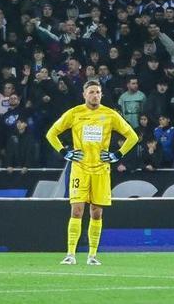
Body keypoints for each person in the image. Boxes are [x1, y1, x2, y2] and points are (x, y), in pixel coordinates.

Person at [45, 79, 139, 266]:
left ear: (101, 94)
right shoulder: (75, 113)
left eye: (97, 92)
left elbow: (132, 136)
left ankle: (92, 255)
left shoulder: (110, 115)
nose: (95, 95)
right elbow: (51, 134)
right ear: (84, 94)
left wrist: (117, 155)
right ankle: (70, 254)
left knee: (96, 213)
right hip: (80, 168)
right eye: (91, 92)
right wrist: (65, 152)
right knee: (77, 210)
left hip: (101, 170)